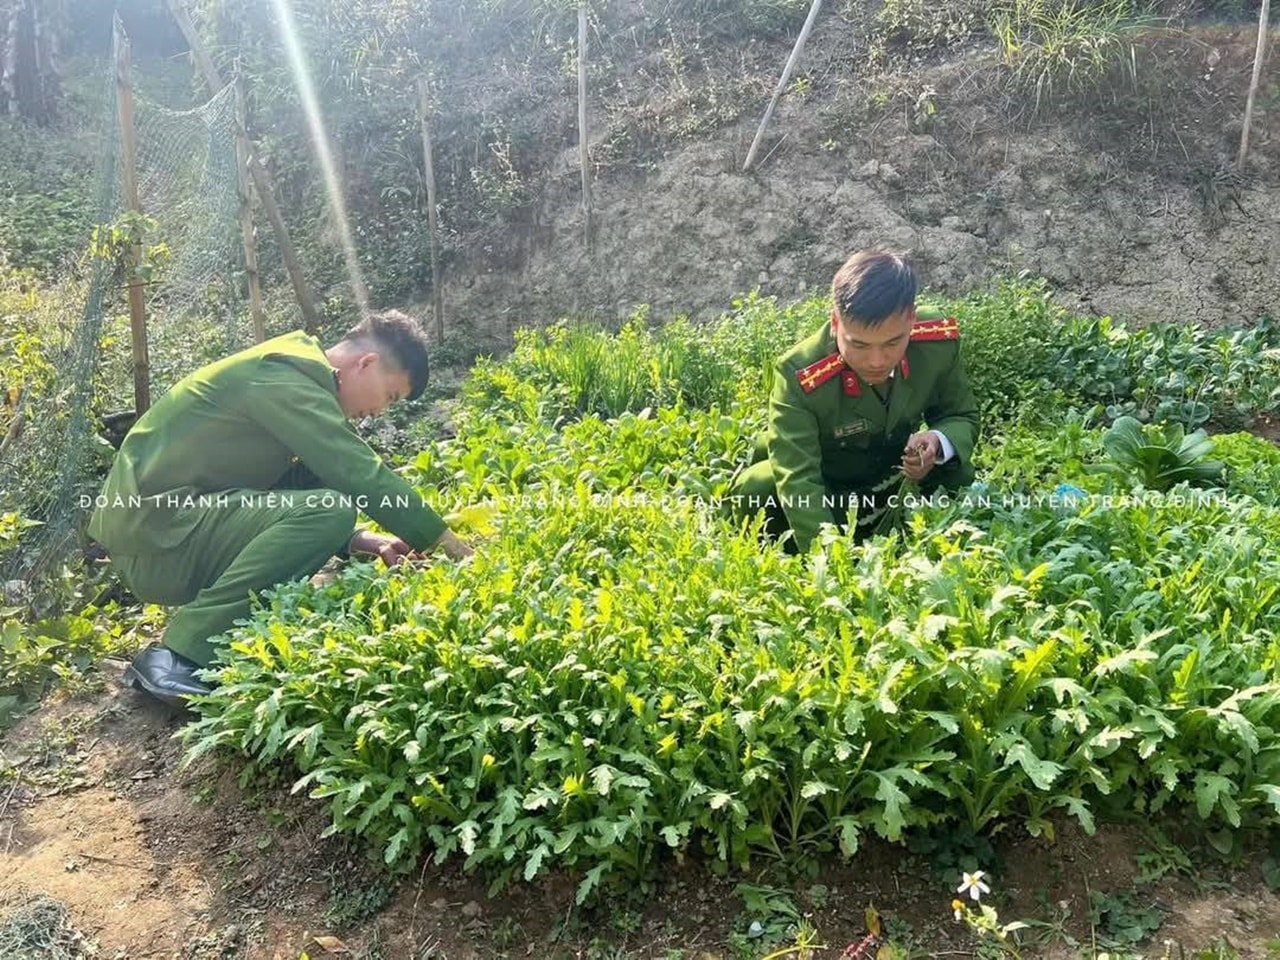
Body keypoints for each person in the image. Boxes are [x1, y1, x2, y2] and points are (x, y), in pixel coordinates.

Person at [87, 310, 472, 707]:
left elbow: (302, 480)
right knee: (331, 507)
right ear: (367, 363)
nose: (380, 411)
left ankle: (197, 642)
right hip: (155, 543)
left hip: (173, 529)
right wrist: (451, 549)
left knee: (323, 483)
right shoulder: (283, 375)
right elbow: (357, 470)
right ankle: (181, 654)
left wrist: (357, 539)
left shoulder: (294, 373)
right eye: (390, 396)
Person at [729, 250, 979, 553]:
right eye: (859, 344)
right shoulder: (800, 373)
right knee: (759, 487)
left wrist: (937, 442)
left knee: (957, 469)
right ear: (836, 322)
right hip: (830, 490)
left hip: (896, 478)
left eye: (893, 342)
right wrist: (831, 562)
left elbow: (961, 415)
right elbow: (799, 479)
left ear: (912, 319)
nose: (877, 360)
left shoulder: (935, 343)